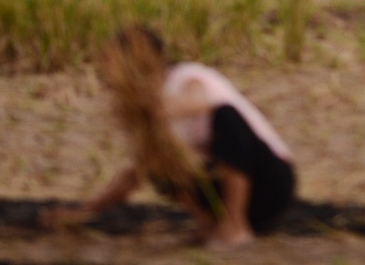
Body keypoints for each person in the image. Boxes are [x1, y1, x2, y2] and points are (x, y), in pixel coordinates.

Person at [48, 26, 297, 247]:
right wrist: (84, 212)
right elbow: (133, 177)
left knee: (226, 117)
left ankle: (235, 226)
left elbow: (198, 101)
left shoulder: (186, 76)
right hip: (223, 196)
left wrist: (161, 111)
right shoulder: (148, 118)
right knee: (157, 160)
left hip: (271, 182)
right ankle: (211, 225)